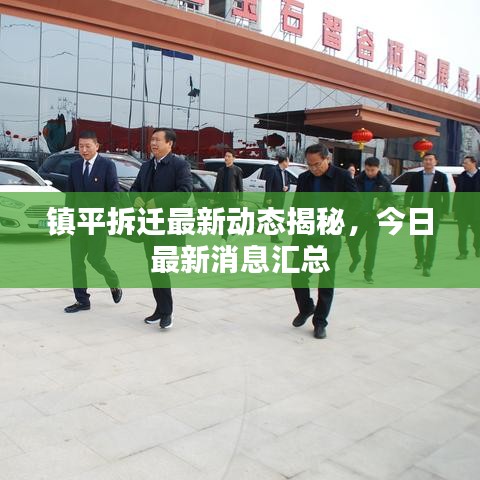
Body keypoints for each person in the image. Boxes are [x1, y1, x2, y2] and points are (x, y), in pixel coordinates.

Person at [291, 143, 358, 339]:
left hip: (328, 236)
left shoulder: (342, 177)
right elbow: (297, 205)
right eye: (310, 165)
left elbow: (356, 203)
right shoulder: (304, 178)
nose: (314, 168)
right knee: (298, 277)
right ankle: (306, 307)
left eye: (317, 164)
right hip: (305, 235)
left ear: (327, 159)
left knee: (325, 280)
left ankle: (320, 322)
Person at [130, 128, 192, 329]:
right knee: (153, 269)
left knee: (161, 268)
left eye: (157, 140)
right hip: (148, 227)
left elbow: (185, 192)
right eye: (152, 140)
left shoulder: (180, 165)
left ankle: (167, 312)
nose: (153, 143)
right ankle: (159, 309)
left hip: (168, 227)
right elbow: (135, 188)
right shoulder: (146, 166)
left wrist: (158, 202)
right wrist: (135, 198)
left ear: (169, 143)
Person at [64, 130, 122, 313]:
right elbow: (70, 195)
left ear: (97, 146)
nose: (84, 150)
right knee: (76, 262)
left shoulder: (107, 165)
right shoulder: (74, 166)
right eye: (81, 146)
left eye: (88, 146)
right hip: (78, 223)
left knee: (95, 259)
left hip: (98, 222)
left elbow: (114, 193)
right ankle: (82, 300)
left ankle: (113, 280)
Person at [347, 156, 393, 284]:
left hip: (374, 220)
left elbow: (390, 199)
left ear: (378, 168)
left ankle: (368, 273)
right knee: (351, 240)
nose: (370, 172)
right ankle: (356, 258)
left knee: (371, 247)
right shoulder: (357, 180)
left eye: (372, 170)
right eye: (367, 170)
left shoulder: (384, 182)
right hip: (358, 218)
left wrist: (383, 208)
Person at [405, 153, 450, 277]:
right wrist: (407, 205)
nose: (428, 162)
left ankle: (428, 265)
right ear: (423, 162)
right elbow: (409, 191)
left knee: (431, 238)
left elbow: (445, 194)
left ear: (435, 162)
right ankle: (420, 259)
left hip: (434, 212)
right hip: (419, 210)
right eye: (426, 159)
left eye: (430, 159)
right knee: (418, 237)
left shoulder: (441, 177)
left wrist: (444, 210)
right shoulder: (416, 176)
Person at [453, 155, 480, 259]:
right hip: (463, 209)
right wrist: (455, 209)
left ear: (474, 163)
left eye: (466, 163)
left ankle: (478, 248)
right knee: (462, 232)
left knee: (477, 231)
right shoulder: (461, 177)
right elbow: (457, 193)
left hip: (477, 209)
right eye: (463, 163)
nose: (463, 165)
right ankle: (463, 252)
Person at [213, 149, 243, 241]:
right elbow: (217, 185)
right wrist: (213, 197)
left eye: (229, 156)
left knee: (230, 217)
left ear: (233, 158)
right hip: (222, 198)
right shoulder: (221, 170)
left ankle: (227, 235)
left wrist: (241, 199)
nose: (226, 158)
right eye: (225, 156)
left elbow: (240, 186)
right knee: (224, 217)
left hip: (232, 198)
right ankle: (226, 235)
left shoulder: (237, 170)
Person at [263, 152, 290, 243]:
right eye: (288, 161)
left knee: (277, 216)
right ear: (284, 161)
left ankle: (273, 235)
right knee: (274, 217)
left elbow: (288, 183)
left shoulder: (285, 172)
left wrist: (287, 187)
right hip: (273, 198)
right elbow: (268, 184)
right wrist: (268, 198)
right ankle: (274, 237)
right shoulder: (273, 170)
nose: (288, 163)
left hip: (281, 197)